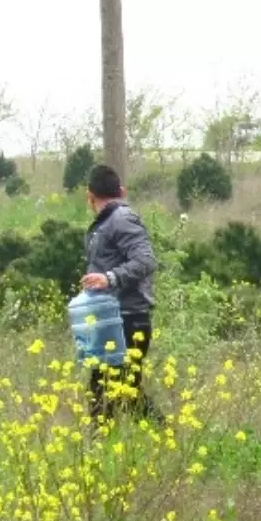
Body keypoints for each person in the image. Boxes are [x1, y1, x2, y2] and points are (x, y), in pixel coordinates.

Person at [81, 164, 161, 423]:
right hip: (113, 318)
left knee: (112, 393)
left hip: (127, 319)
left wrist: (109, 278)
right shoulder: (107, 223)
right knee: (115, 391)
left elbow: (146, 260)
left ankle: (101, 452)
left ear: (89, 196)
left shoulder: (121, 219)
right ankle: (166, 437)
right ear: (122, 191)